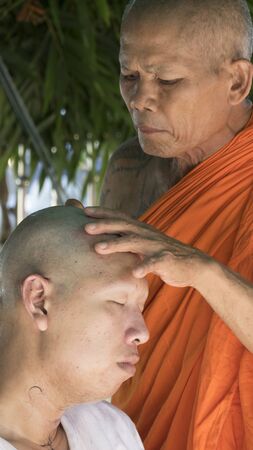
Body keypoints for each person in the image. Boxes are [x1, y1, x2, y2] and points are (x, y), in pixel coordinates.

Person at [83, 0, 253, 449]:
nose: (140, 99)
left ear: (236, 81)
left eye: (167, 80)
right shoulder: (127, 170)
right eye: (129, 75)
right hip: (119, 433)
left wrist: (202, 271)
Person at [0, 205, 149, 450]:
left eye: (140, 308)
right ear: (39, 301)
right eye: (119, 301)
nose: (143, 333)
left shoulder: (111, 431)